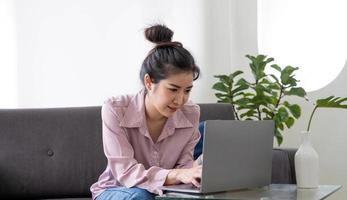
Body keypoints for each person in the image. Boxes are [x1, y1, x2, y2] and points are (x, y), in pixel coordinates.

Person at [90, 24, 202, 200]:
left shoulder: (191, 114)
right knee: (141, 197)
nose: (180, 100)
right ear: (149, 82)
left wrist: (193, 176)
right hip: (118, 189)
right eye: (173, 89)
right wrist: (177, 175)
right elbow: (126, 173)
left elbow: (185, 167)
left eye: (187, 90)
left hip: (166, 192)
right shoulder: (115, 110)